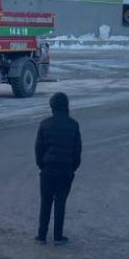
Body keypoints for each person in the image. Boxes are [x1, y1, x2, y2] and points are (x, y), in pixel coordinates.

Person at [34, 92, 81, 246]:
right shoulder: (73, 125)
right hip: (66, 170)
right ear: (66, 106)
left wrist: (42, 164)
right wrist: (72, 167)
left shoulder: (45, 124)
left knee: (46, 202)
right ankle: (58, 237)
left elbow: (39, 148)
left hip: (48, 169)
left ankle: (41, 236)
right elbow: (77, 150)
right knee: (60, 202)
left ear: (52, 107)